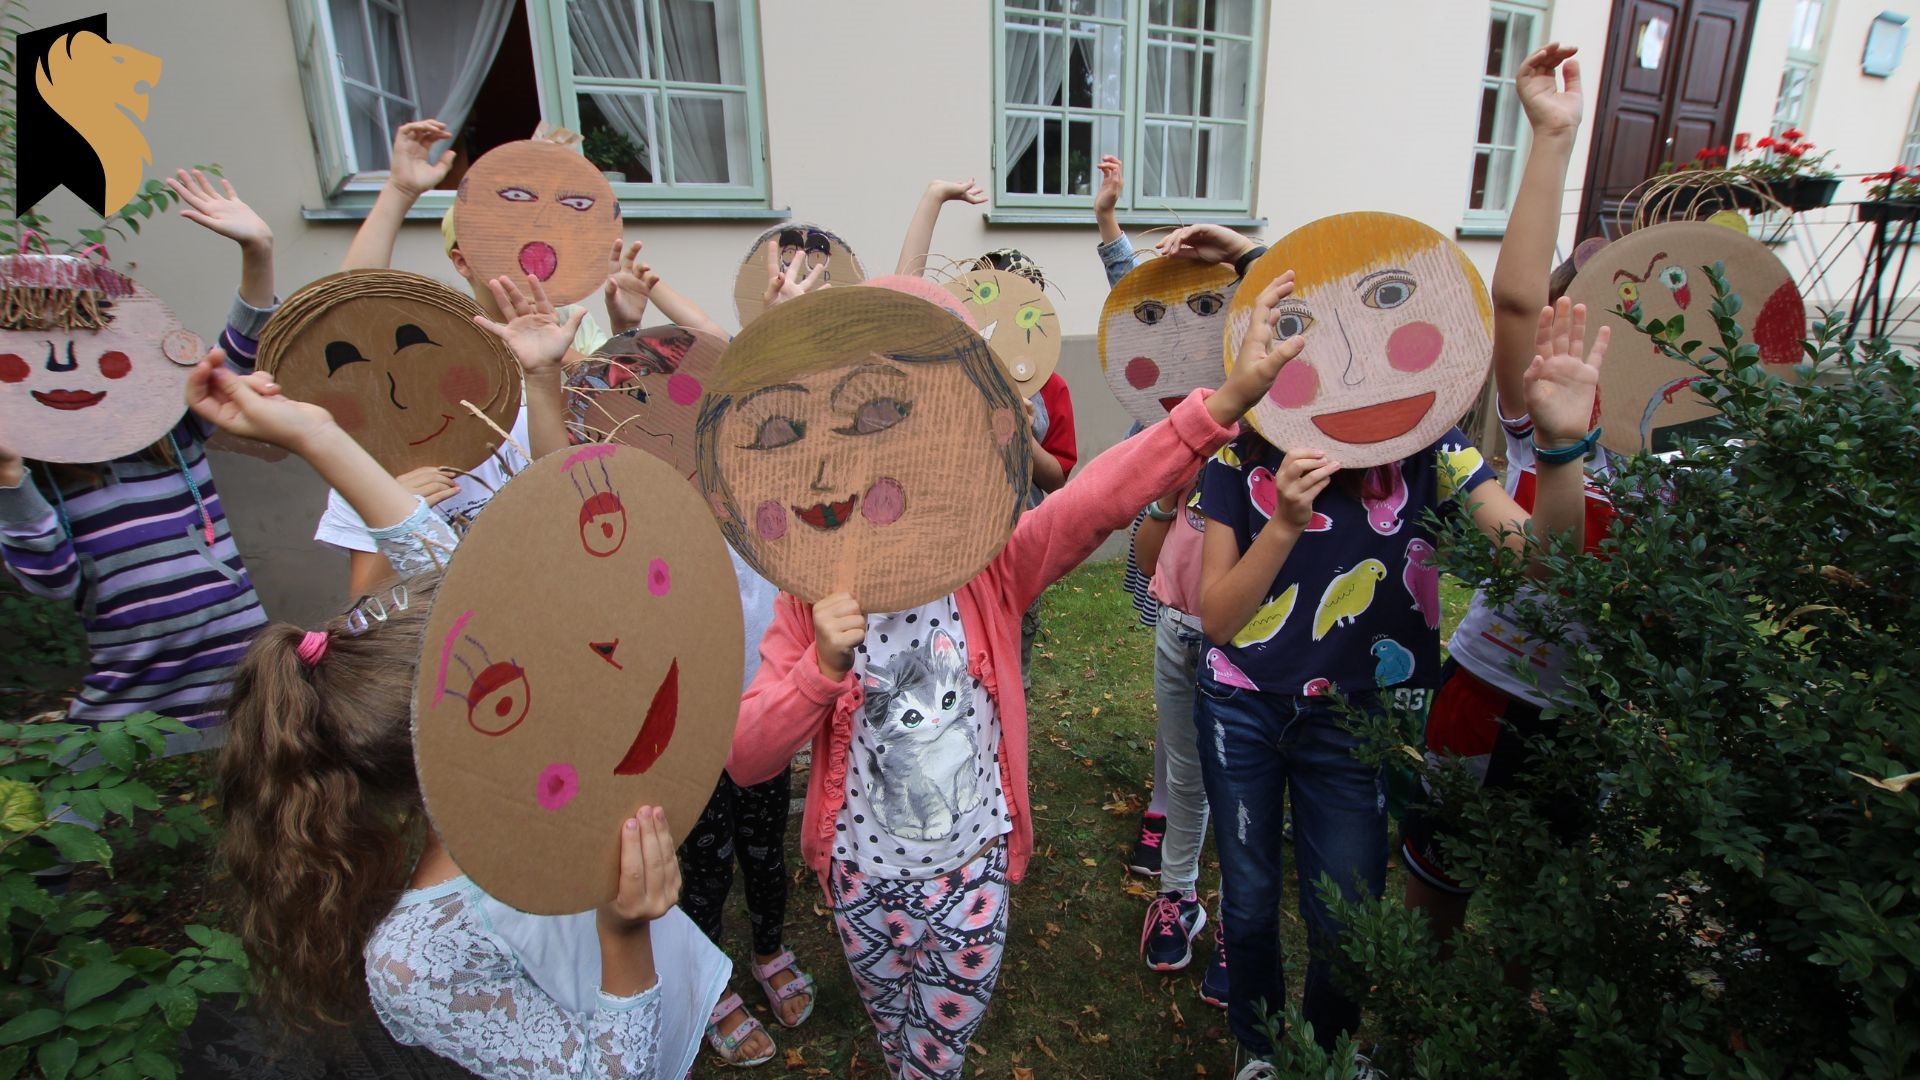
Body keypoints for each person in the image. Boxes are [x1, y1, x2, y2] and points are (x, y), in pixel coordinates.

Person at [721, 273, 1303, 1080]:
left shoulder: (991, 572)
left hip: (971, 879)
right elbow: (747, 757)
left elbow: (1096, 497)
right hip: (861, 885)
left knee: (936, 1054)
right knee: (896, 1035)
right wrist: (819, 667)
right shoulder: (806, 598)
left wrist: (1229, 397)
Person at [191, 350, 725, 1080]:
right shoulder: (418, 961)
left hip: (667, 1003)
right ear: (456, 751)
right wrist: (624, 931)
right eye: (525, 686)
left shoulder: (515, 756)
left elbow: (435, 559)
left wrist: (316, 433)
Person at [1194, 281, 1608, 1077]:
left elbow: (1550, 570)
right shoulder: (1236, 447)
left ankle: (1328, 1055)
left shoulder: (1430, 448)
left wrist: (1560, 448)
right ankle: (1259, 1049)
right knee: (1247, 906)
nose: (1349, 363)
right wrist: (1283, 524)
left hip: (1360, 720)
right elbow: (1216, 618)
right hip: (1241, 708)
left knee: (1348, 918)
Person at [1399, 44, 1617, 944]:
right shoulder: (1554, 413)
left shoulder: (1698, 470)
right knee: (1433, 885)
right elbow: (1518, 300)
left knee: (1540, 913)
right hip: (1488, 685)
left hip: (1592, 711)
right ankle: (1399, 1040)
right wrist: (1552, 137)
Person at [0, 170, 276, 754]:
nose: (67, 372)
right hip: (131, 700)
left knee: (253, 805)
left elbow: (237, 357)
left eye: (93, 353)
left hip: (241, 677)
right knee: (93, 815)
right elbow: (52, 583)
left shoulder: (174, 427)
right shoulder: (38, 475)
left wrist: (258, 251)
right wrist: (8, 477)